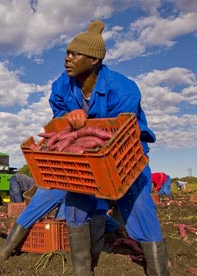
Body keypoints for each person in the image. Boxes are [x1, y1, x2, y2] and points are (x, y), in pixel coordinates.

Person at [48, 20, 168, 275]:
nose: (67, 59)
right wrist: (70, 114)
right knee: (76, 202)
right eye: (67, 53)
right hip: (84, 157)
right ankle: (83, 270)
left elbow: (118, 131)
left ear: (93, 60)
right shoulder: (63, 83)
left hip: (125, 153)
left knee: (139, 207)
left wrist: (85, 124)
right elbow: (58, 106)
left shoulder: (123, 88)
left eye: (74, 54)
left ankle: (157, 269)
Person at [0, 187, 125, 261]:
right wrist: (118, 228)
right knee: (89, 209)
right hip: (79, 180)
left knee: (36, 208)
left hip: (53, 174)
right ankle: (93, 254)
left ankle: (4, 252)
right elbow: (100, 212)